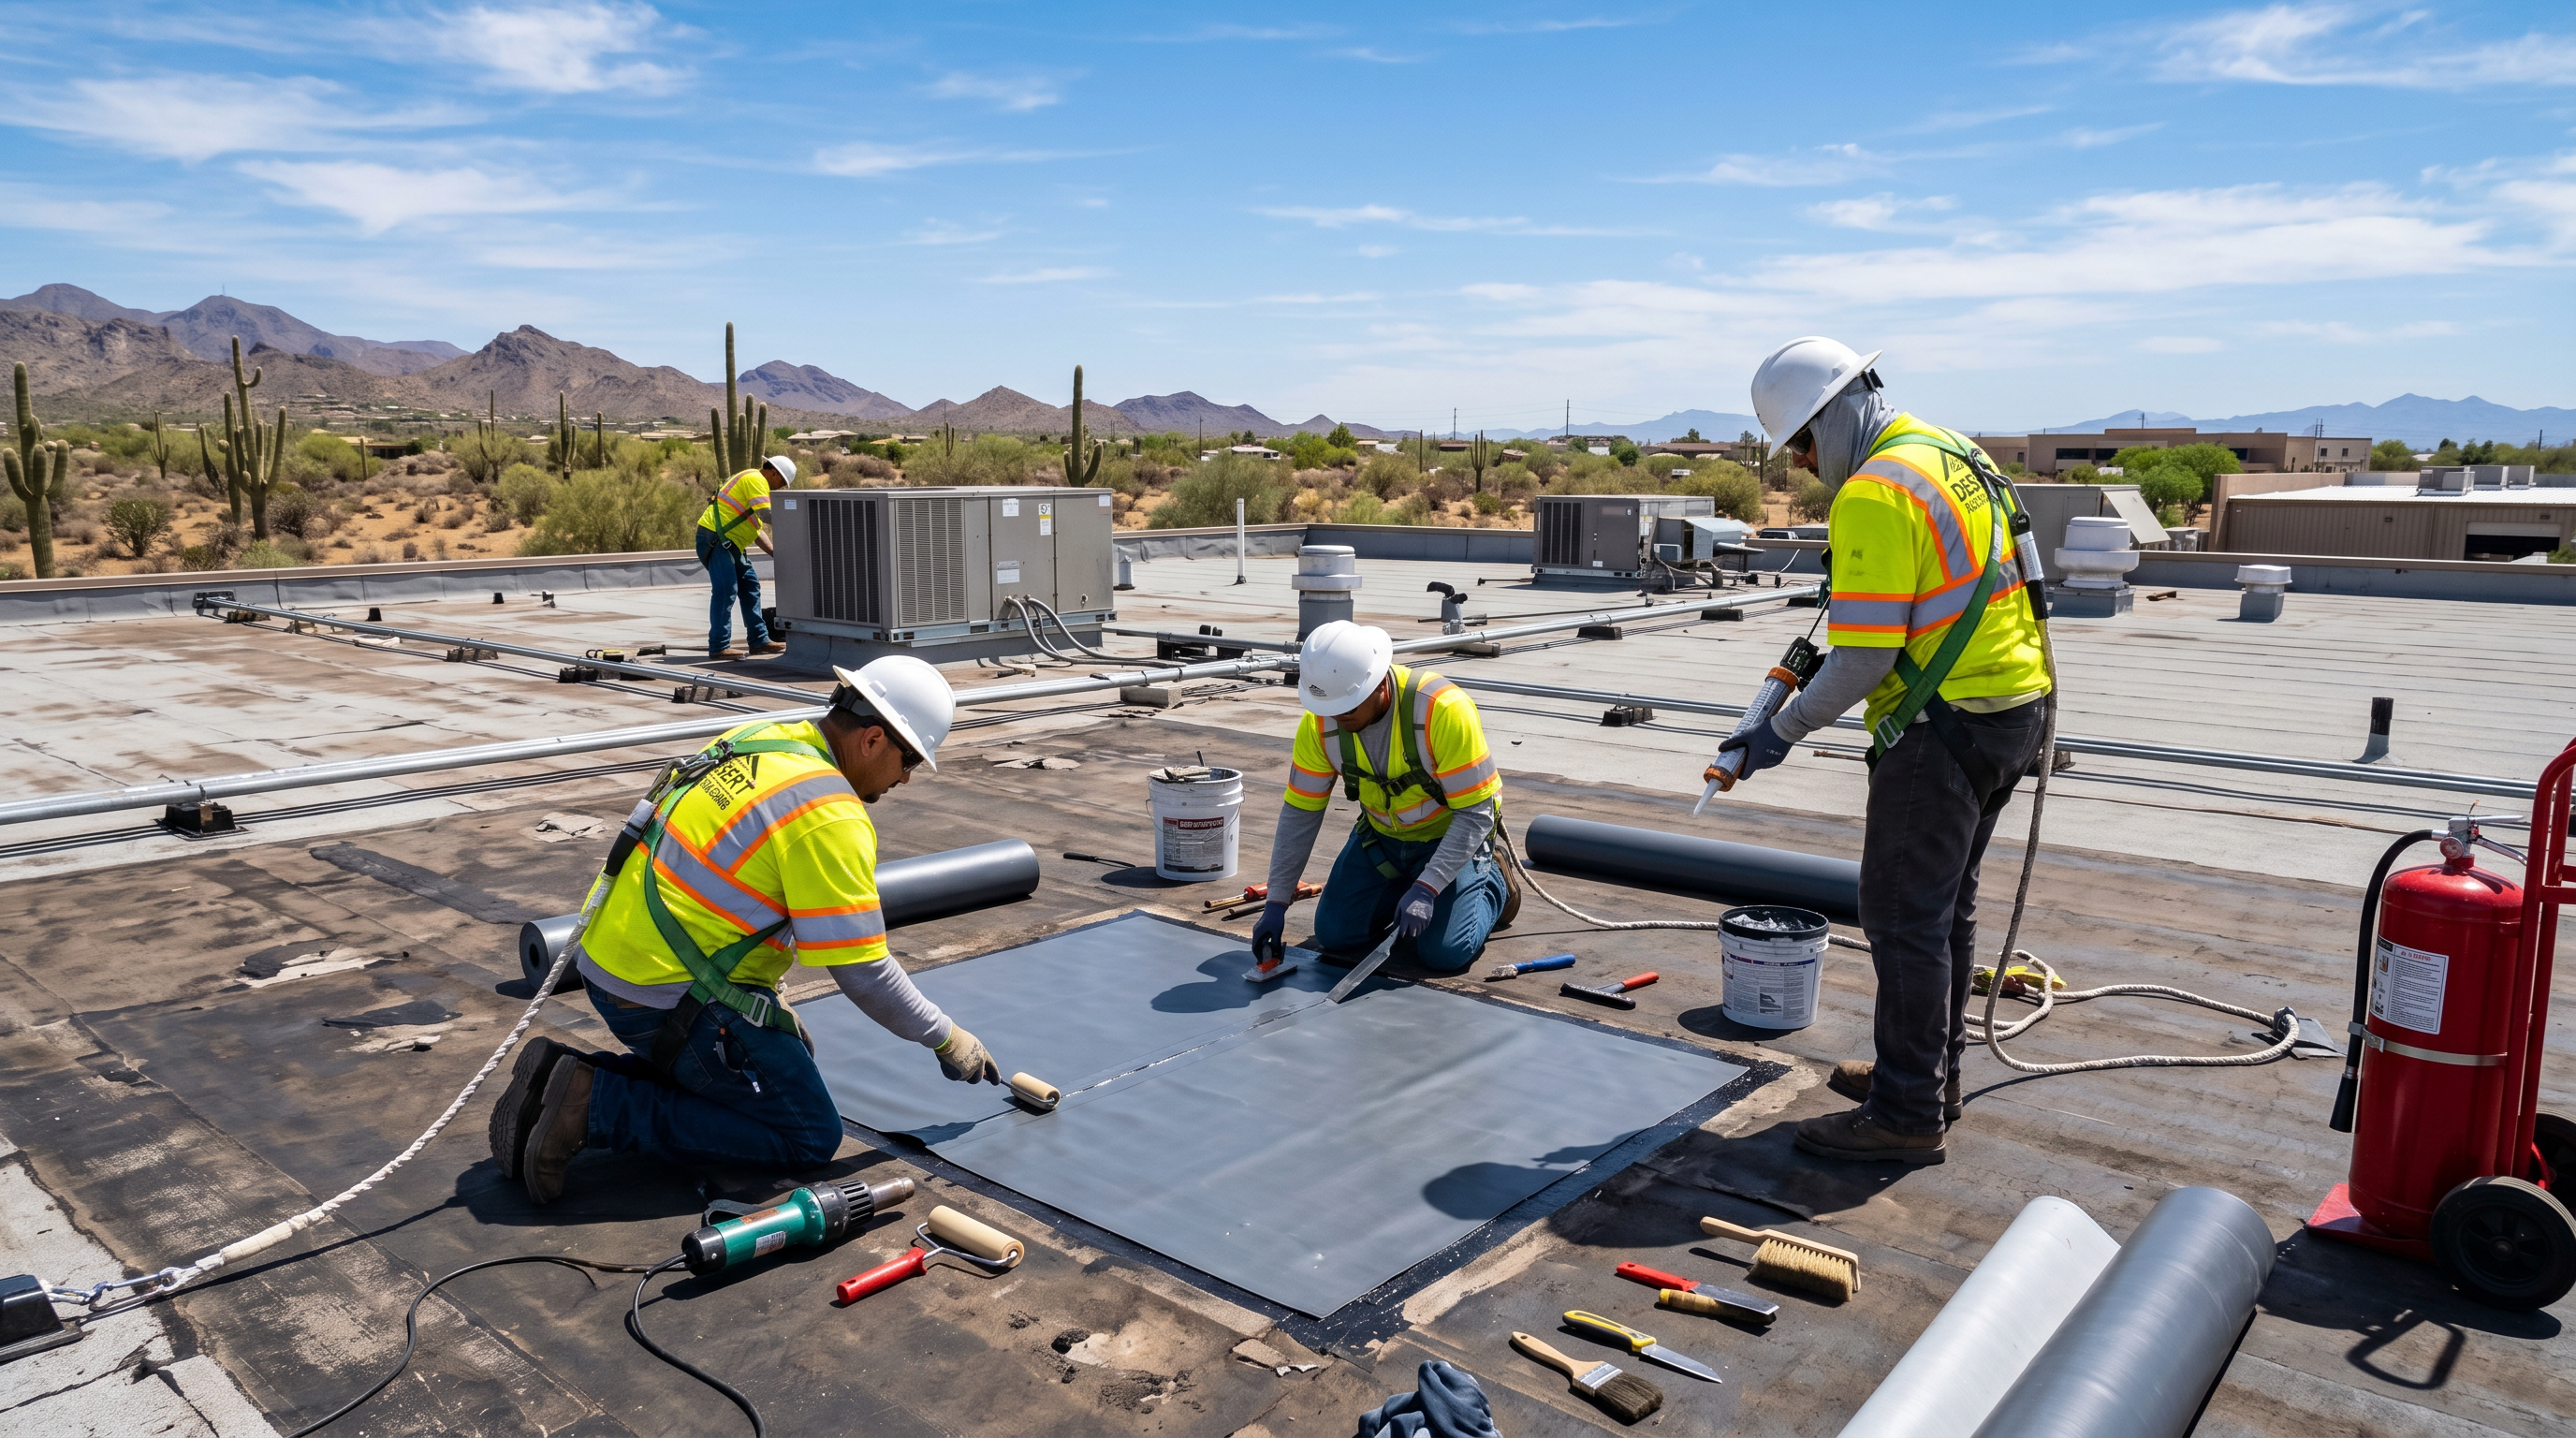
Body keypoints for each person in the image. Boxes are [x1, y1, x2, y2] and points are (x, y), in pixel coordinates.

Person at [490, 654, 1002, 1203]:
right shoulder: (828, 812)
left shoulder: (760, 739)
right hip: (659, 997)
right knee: (807, 1132)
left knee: (780, 1060)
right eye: (910, 760)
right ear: (873, 739)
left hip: (609, 960)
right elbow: (862, 970)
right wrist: (946, 1037)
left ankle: (563, 1078)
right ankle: (594, 1106)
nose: (905, 777)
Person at [1721, 336, 2052, 1167]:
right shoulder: (1953, 452)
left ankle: (1905, 1113)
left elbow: (1864, 658)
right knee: (1944, 911)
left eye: (1802, 441)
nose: (1801, 462)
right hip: (2014, 710)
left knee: (1903, 918)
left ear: (1836, 413)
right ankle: (1931, 1080)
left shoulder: (1875, 490)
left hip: (1943, 728)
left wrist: (1779, 731)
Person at [1251, 622, 1515, 975]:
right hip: (1383, 841)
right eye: (1329, 709)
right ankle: (1404, 887)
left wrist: (1428, 886)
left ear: (1378, 684)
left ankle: (1494, 881)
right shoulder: (1320, 723)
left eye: (1347, 708)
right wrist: (1276, 903)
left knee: (1444, 953)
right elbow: (1300, 813)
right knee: (1334, 934)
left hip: (1450, 838)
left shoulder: (1442, 709)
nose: (1336, 718)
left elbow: (1476, 814)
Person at [697, 454, 793, 658]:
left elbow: (756, 529)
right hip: (717, 540)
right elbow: (767, 515)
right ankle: (719, 645)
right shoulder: (755, 479)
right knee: (726, 590)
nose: (781, 488)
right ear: (774, 473)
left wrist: (775, 553)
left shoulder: (755, 485)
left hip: (730, 544)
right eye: (783, 483)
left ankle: (759, 641)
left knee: (750, 587)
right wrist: (796, 520)